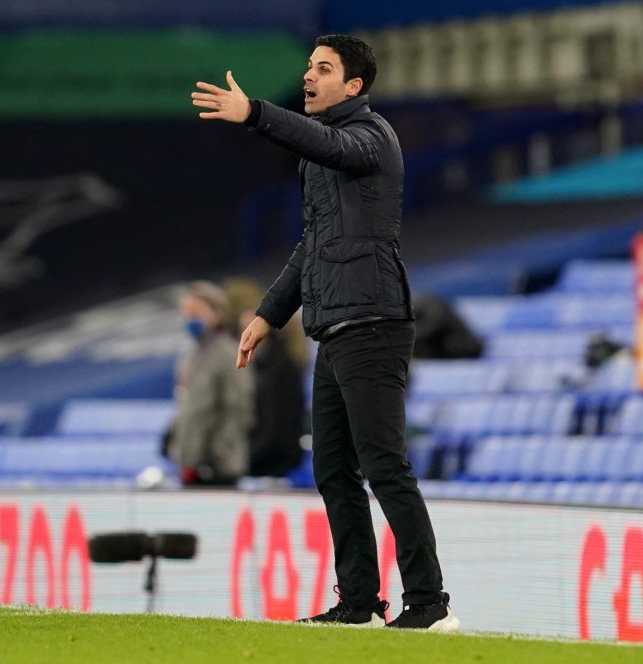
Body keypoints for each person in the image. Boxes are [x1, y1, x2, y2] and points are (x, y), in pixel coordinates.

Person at [191, 34, 459, 631]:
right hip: (333, 330)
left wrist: (256, 113)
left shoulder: (369, 137)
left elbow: (329, 142)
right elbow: (313, 246)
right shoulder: (321, 157)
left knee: (384, 465)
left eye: (323, 68)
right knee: (333, 471)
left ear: (354, 86)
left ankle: (431, 604)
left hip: (375, 323)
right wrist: (267, 313)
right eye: (308, 67)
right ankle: (360, 602)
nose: (309, 76)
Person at [166, 280, 253, 486]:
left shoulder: (228, 353)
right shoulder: (193, 354)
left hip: (219, 467)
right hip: (193, 464)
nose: (190, 319)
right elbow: (190, 408)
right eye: (186, 313)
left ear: (216, 313)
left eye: (196, 312)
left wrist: (218, 454)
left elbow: (239, 408)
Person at [223, 277, 307, 479]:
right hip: (267, 458)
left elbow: (274, 426)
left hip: (274, 463)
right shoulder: (273, 360)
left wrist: (241, 459)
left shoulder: (277, 365)